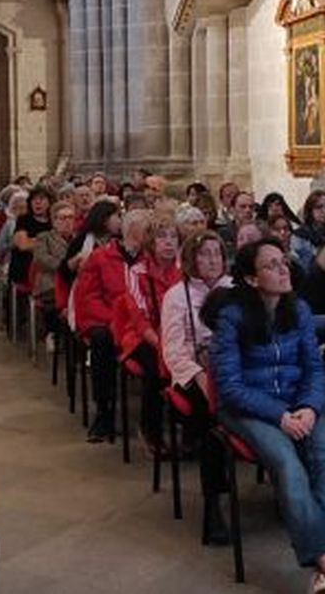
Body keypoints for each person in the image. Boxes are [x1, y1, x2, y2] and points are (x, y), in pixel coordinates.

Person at [208, 238, 325, 594]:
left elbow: (315, 369)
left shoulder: (297, 310)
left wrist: (309, 407)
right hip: (247, 407)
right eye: (271, 265)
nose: (283, 269)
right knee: (287, 463)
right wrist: (280, 415)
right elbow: (230, 386)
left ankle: (323, 575)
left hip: (298, 403)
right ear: (251, 278)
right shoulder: (232, 316)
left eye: (283, 261)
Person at [159, 230, 233, 545]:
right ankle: (213, 503)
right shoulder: (177, 296)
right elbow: (173, 351)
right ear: (191, 259)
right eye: (205, 254)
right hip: (193, 371)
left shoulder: (235, 289)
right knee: (211, 420)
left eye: (217, 253)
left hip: (232, 369)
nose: (213, 260)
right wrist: (200, 375)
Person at [71, 209, 154, 443]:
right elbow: (88, 297)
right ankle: (104, 412)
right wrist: (115, 319)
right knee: (102, 340)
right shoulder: (100, 257)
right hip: (106, 320)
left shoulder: (150, 259)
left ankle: (152, 420)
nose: (152, 236)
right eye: (147, 231)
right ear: (132, 231)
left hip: (140, 323)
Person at [114, 213, 180, 453]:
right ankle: (151, 430)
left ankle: (193, 432)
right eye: (162, 237)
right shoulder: (137, 272)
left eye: (173, 237)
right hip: (143, 337)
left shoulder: (183, 271)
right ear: (151, 242)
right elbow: (139, 319)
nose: (169, 242)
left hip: (176, 335)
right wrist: (162, 344)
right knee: (156, 368)